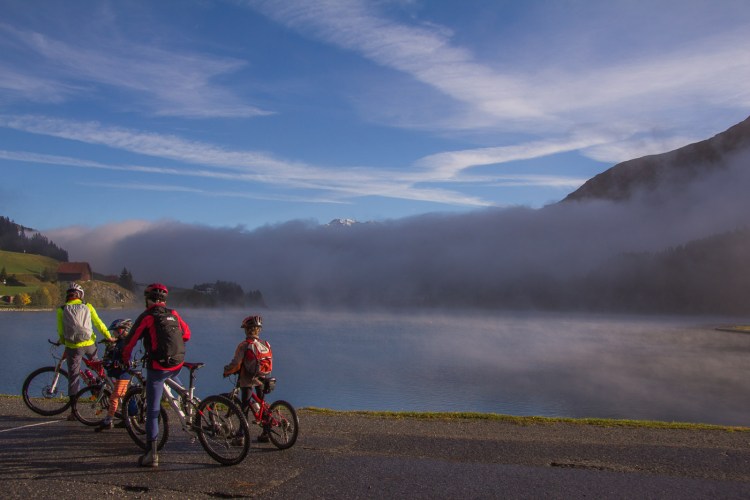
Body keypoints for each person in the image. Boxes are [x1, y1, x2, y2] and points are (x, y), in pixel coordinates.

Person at [121, 283, 190, 467]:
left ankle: (152, 455)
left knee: (152, 411)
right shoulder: (173, 313)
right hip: (178, 362)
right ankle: (188, 407)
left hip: (158, 366)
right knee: (177, 383)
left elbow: (130, 342)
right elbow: (187, 334)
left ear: (148, 299)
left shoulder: (147, 317)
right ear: (164, 300)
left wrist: (125, 359)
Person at [57, 282, 113, 420]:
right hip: (89, 344)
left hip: (73, 347)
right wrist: (108, 337)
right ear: (80, 295)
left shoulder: (62, 309)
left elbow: (61, 331)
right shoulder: (87, 306)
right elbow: (98, 323)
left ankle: (74, 413)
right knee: (99, 371)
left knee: (73, 377)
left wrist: (64, 343)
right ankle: (109, 397)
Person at [223, 314, 272, 443]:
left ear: (246, 329)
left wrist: (227, 370)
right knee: (262, 404)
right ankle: (266, 432)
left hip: (248, 379)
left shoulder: (244, 345)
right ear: (258, 330)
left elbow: (236, 363)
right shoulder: (264, 344)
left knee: (244, 407)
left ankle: (241, 435)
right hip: (262, 376)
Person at [95, 318, 134, 432]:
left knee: (114, 398)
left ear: (121, 330)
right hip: (120, 374)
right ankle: (128, 418)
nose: (113, 333)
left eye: (115, 331)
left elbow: (127, 358)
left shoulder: (126, 343)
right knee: (123, 397)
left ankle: (108, 420)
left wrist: (117, 363)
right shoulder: (120, 341)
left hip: (123, 375)